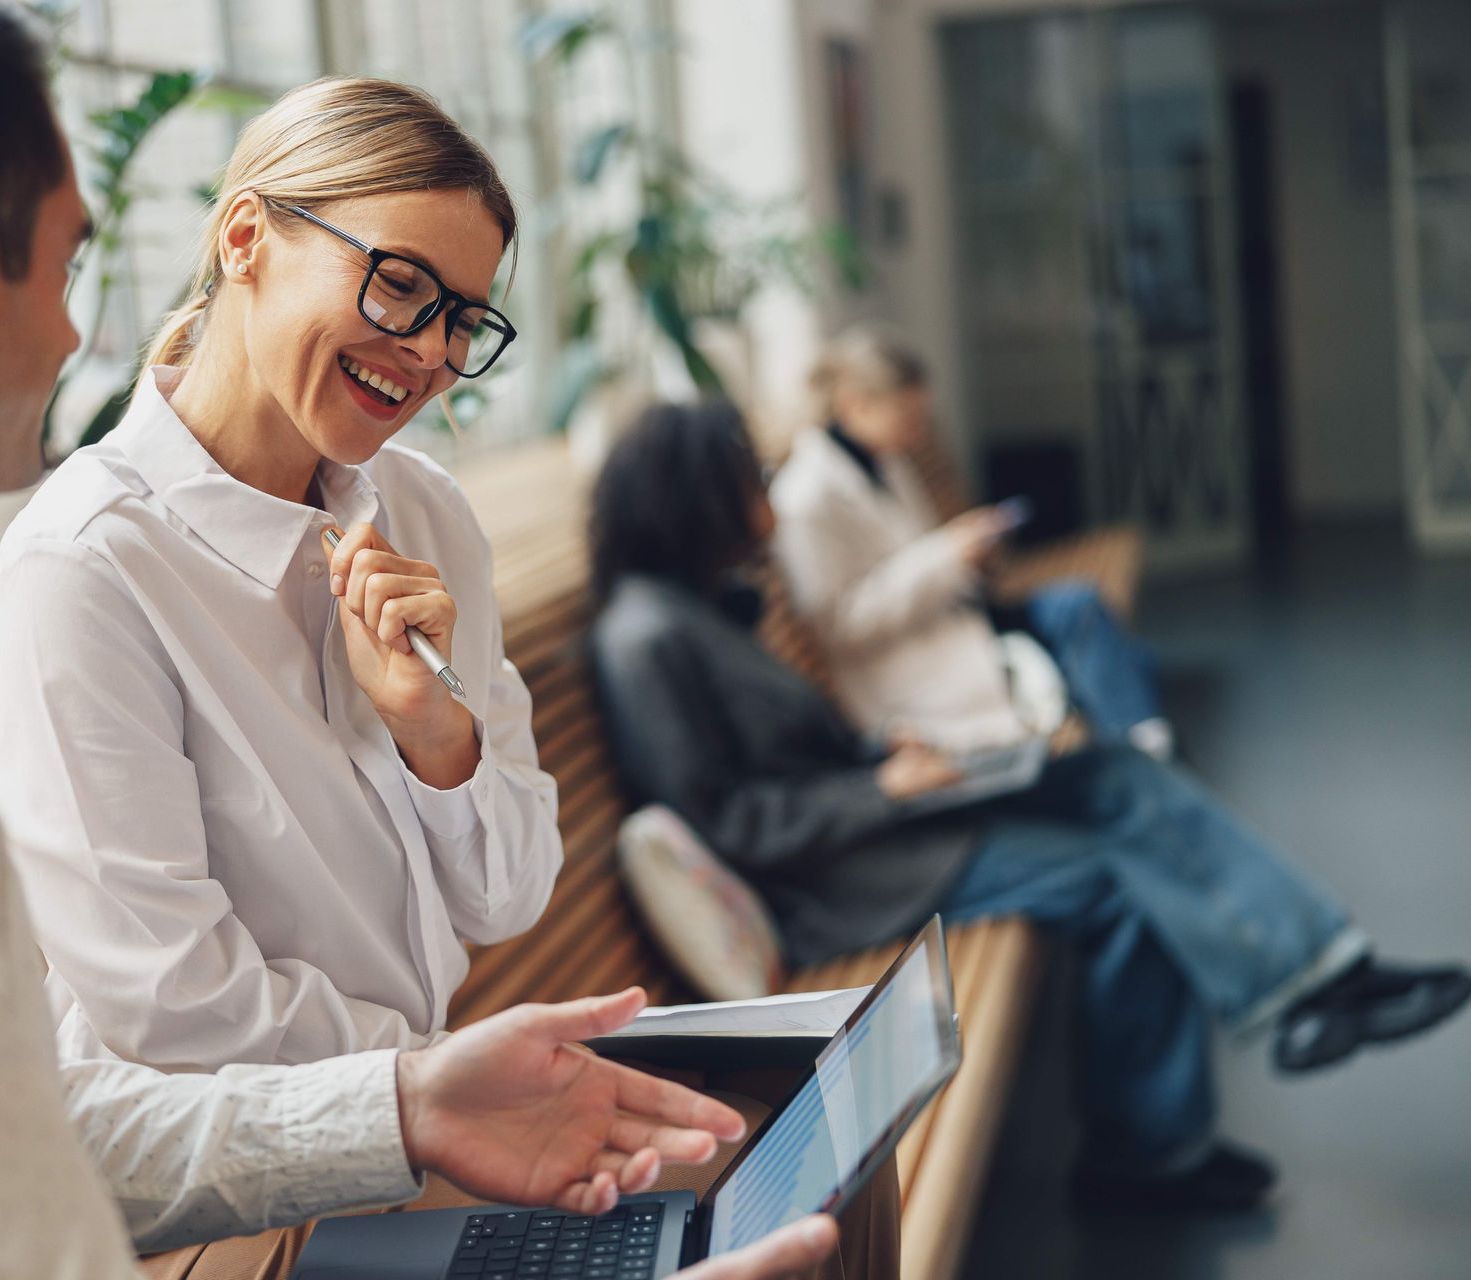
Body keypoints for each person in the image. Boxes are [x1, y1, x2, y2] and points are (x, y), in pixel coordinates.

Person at [0, 4, 836, 1277]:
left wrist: (406, 1107)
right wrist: (401, 1098)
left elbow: (17, 1137)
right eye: (62, 269)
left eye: (461, 319)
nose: (75, 337)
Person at [587, 399, 1471, 1213]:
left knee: (1117, 777)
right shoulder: (645, 638)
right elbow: (729, 822)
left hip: (879, 818)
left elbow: (781, 752)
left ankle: (1323, 974)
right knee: (1109, 884)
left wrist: (884, 757)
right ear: (697, 496)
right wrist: (880, 786)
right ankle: (1148, 1153)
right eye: (747, 477)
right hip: (842, 878)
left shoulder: (691, 607)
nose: (765, 494)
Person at [0, 77, 564, 1075]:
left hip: (411, 1121)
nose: (426, 351)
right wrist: (435, 1080)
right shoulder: (85, 566)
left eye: (461, 318)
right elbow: (174, 1000)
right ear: (244, 238)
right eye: (401, 283)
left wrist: (437, 732)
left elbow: (508, 893)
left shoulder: (426, 515)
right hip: (229, 1194)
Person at [769, 324, 1174, 759]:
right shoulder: (805, 498)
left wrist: (967, 554)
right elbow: (838, 626)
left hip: (954, 618)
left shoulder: (884, 463)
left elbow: (918, 554)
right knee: (1093, 631)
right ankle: (1148, 753)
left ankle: (1145, 747)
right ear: (855, 406)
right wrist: (947, 557)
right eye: (908, 418)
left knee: (1089, 617)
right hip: (909, 666)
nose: (918, 432)